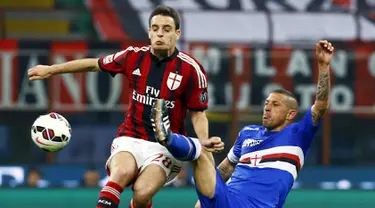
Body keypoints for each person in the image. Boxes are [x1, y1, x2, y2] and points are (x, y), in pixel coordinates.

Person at [28, 6, 211, 208]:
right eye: (155, 28)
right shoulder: (133, 57)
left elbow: (198, 113)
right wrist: (51, 70)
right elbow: (93, 64)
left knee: (142, 194)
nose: (160, 33)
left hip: (166, 145)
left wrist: (204, 140)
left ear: (177, 33)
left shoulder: (191, 69)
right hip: (130, 137)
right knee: (120, 174)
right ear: (149, 32)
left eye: (166, 29)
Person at [150, 40, 334, 208]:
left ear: (290, 114)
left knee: (201, 151)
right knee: (203, 151)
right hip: (228, 199)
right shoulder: (248, 132)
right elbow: (226, 168)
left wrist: (323, 66)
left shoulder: (298, 135)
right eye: (266, 103)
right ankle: (167, 137)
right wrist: (205, 200)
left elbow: (321, 106)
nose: (267, 108)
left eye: (275, 104)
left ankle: (169, 138)